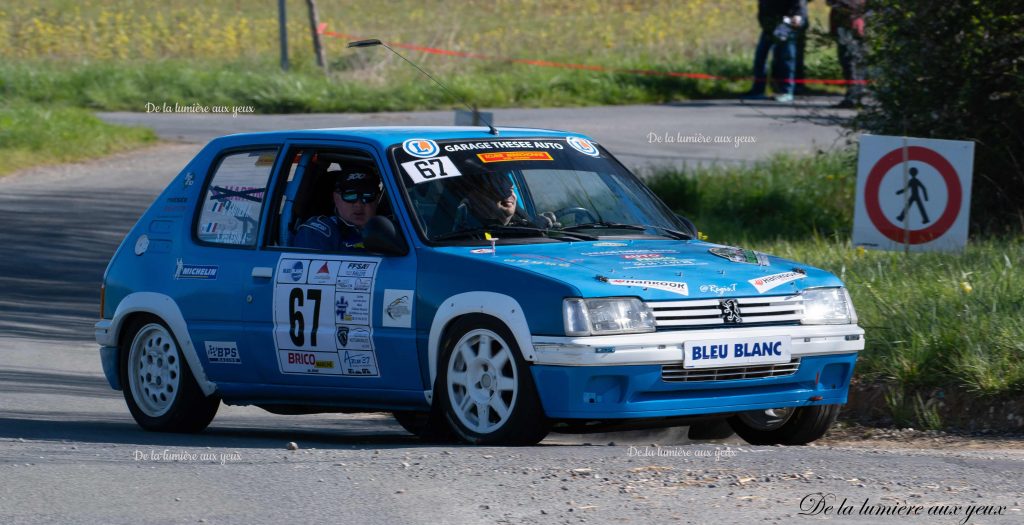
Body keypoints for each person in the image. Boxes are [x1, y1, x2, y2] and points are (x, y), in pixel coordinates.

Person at [292, 167, 381, 250]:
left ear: (377, 199)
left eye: (367, 195)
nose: (358, 204)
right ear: (336, 198)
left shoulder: (391, 230)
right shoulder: (317, 233)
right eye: (350, 195)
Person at [741, 0, 807, 103]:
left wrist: (797, 16)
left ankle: (787, 91)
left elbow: (799, 6)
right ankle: (758, 90)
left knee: (786, 58)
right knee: (760, 57)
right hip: (769, 26)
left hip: (785, 25)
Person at [827, 0, 867, 108]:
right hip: (843, 26)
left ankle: (855, 97)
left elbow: (858, 6)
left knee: (853, 62)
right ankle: (851, 96)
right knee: (846, 62)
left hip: (853, 27)